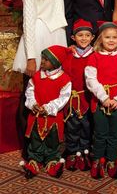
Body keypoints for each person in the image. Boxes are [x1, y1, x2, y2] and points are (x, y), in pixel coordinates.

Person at [13, 0, 68, 158]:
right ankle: (28, 151)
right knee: (31, 96)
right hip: (38, 40)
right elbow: (28, 22)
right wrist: (31, 57)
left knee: (51, 94)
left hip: (56, 38)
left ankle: (48, 148)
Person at [84, 21, 117, 179]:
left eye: (114, 37)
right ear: (100, 40)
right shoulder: (94, 58)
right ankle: (98, 159)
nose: (111, 40)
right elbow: (91, 80)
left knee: (114, 133)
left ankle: (112, 159)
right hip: (100, 102)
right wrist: (104, 97)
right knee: (100, 132)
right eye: (107, 37)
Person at [20, 45, 71, 179]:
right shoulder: (36, 76)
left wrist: (48, 108)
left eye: (46, 60)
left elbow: (64, 98)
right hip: (36, 115)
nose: (41, 61)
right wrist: (33, 104)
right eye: (42, 58)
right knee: (35, 138)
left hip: (53, 117)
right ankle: (35, 160)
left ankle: (51, 160)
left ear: (55, 62)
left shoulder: (64, 79)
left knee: (52, 139)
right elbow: (29, 92)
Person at [62, 18, 95, 171]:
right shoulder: (68, 54)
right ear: (73, 37)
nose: (83, 38)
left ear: (92, 37)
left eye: (87, 35)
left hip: (87, 97)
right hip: (72, 97)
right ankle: (72, 152)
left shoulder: (95, 55)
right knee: (72, 126)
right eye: (80, 35)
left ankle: (84, 151)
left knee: (87, 126)